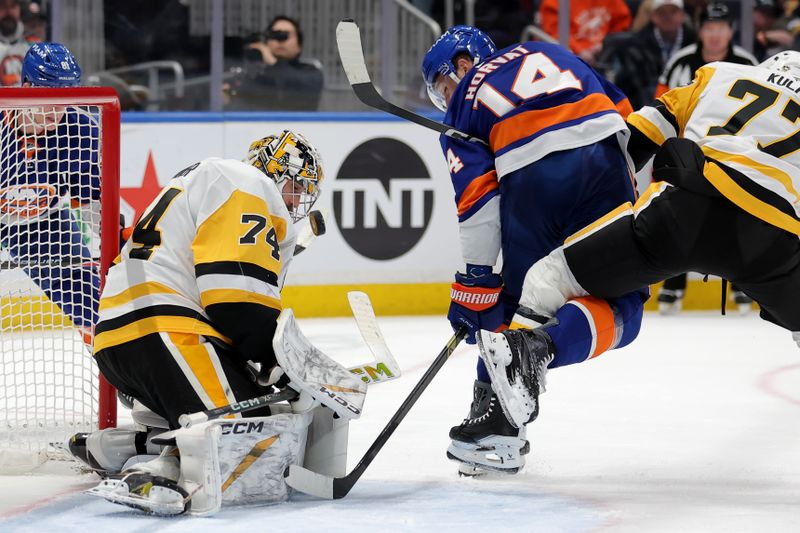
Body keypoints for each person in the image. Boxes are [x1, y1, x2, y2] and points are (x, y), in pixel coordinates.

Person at [476, 51, 800, 431]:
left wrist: (594, 207)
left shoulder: (719, 74)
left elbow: (636, 138)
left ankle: (504, 417)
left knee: (546, 280)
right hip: (772, 238)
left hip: (687, 213)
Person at [69, 131, 347, 514]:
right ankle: (150, 472)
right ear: (274, 171)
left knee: (238, 413)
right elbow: (234, 301)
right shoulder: (249, 185)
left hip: (123, 337)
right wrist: (280, 363)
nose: (296, 201)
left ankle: (113, 447)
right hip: (170, 333)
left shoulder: (207, 180)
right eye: (296, 187)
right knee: (252, 433)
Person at [422, 26, 646, 476]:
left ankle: (496, 427)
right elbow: (630, 121)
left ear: (463, 65)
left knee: (509, 303)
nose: (447, 98)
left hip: (532, 179)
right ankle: (540, 352)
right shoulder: (551, 50)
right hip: (606, 164)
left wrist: (477, 280)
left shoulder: (465, 98)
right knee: (624, 304)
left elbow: (478, 202)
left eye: (443, 86)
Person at [652, 2, 758, 313]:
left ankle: (741, 284)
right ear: (700, 31)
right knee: (679, 214)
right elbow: (662, 104)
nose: (715, 35)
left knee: (740, 214)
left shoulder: (747, 63)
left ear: (730, 31)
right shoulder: (681, 62)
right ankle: (674, 284)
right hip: (688, 151)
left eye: (720, 28)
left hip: (735, 155)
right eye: (709, 28)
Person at [0, 42, 99, 345]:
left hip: (46, 221)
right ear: (26, 88)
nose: (58, 108)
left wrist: (110, 236)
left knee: (91, 300)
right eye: (49, 95)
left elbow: (89, 197)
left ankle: (114, 364)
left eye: (66, 96)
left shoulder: (80, 129)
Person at [611, 0, 697, 110]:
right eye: (662, 12)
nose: (668, 17)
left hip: (686, 105)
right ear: (653, 16)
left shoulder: (696, 42)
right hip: (645, 107)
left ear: (682, 15)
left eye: (673, 12)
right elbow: (636, 87)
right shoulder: (635, 45)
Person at [227, 15, 323, 111]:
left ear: (299, 47)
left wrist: (272, 61)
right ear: (267, 41)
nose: (280, 40)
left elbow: (298, 90)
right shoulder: (255, 74)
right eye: (275, 35)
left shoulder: (311, 73)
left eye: (286, 35)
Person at [538, 0, 632, 65]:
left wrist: (605, 44)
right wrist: (580, 50)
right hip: (571, 56)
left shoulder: (613, 2)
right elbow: (555, 35)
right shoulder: (555, 3)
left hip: (605, 54)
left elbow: (621, 25)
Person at [0, 0, 31, 86]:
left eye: (13, 6)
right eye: (2, 6)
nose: (8, 11)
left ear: (20, 9)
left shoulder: (33, 48)